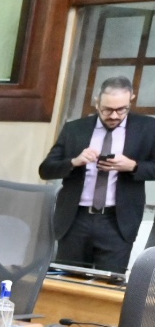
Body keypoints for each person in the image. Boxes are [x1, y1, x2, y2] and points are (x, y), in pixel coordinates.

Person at [39, 75, 155, 276]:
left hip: (117, 222)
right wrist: (74, 161)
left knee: (108, 284)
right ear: (97, 102)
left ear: (131, 100)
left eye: (121, 109)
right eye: (107, 109)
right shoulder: (75, 128)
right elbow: (46, 169)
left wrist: (133, 166)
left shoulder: (147, 128)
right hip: (75, 219)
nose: (114, 116)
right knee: (69, 281)